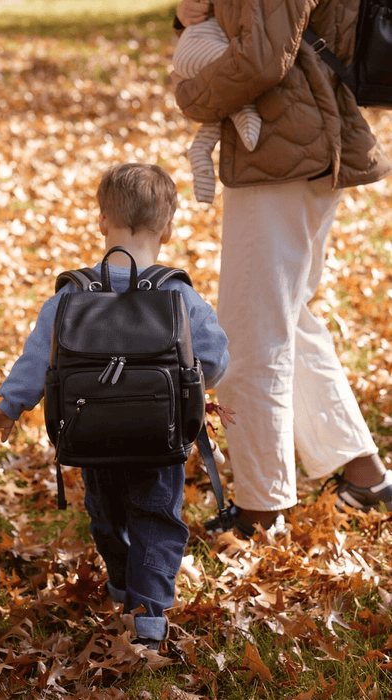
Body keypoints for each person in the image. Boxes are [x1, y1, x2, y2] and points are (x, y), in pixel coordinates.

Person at [0, 163, 230, 648]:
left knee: (106, 513)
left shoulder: (73, 293)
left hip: (91, 436)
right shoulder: (179, 293)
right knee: (157, 518)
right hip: (160, 438)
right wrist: (202, 384)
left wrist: (9, 408)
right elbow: (214, 362)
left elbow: (38, 360)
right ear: (168, 228)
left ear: (100, 221)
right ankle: (149, 616)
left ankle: (120, 580)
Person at [172, 0, 392, 533]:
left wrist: (191, 94)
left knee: (251, 333)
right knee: (287, 318)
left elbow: (264, 56)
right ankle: (364, 476)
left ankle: (261, 508)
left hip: (285, 148)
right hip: (295, 140)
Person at [172, 10, 261, 203]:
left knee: (221, 98)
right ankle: (243, 110)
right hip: (200, 48)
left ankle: (200, 149)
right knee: (239, 67)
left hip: (193, 49)